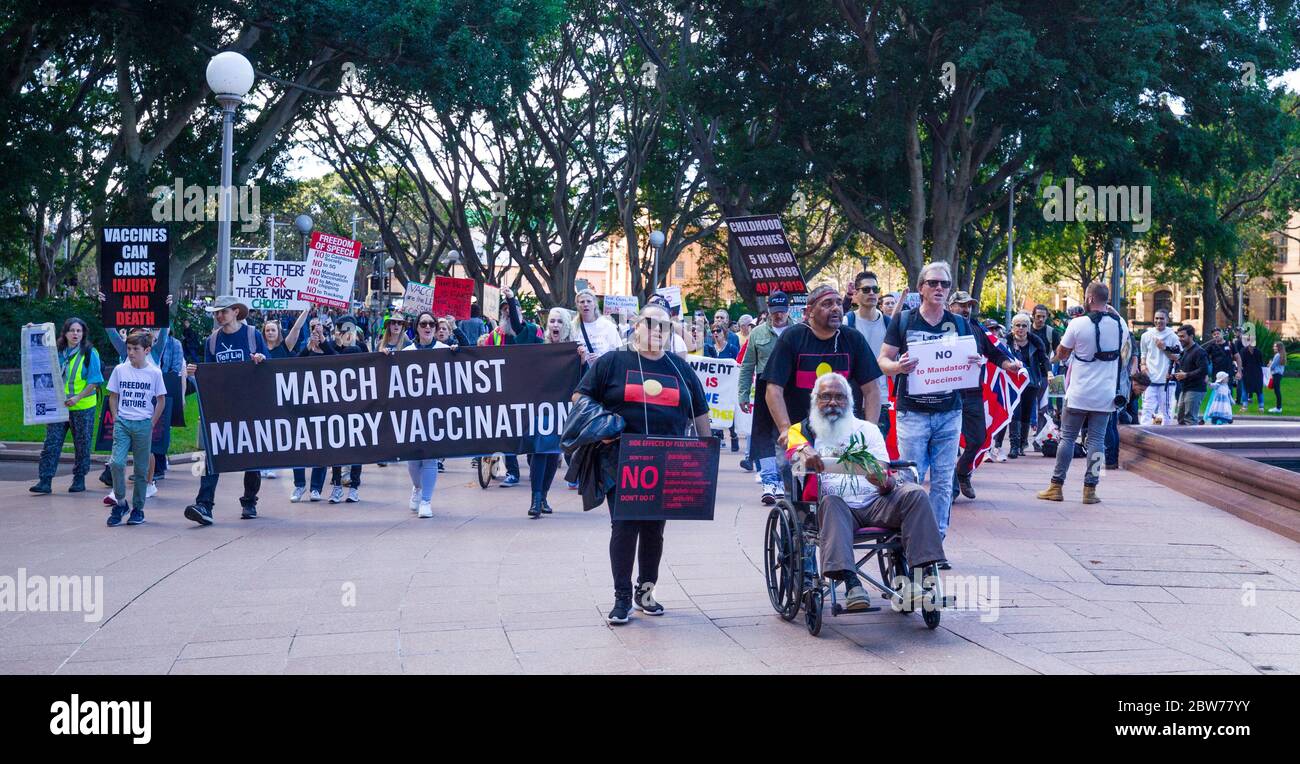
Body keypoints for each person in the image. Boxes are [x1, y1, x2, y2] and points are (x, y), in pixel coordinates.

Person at [574, 303, 711, 624]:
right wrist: (605, 427)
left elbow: (700, 412)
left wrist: (707, 454)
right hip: (620, 457)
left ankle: (645, 591)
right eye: (650, 323)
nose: (657, 330)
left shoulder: (680, 368)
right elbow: (580, 398)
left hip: (666, 460)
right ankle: (621, 598)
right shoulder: (612, 362)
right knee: (624, 525)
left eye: (665, 325)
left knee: (654, 529)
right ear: (636, 325)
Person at [878, 264, 1021, 547]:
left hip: (949, 412)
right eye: (933, 283)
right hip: (913, 413)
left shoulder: (959, 324)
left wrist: (976, 362)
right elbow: (883, 361)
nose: (939, 288)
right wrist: (898, 366)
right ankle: (910, 541)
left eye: (944, 284)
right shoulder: (905, 321)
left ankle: (934, 542)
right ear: (921, 288)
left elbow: (979, 355)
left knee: (943, 482)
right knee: (911, 481)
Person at [786, 373, 945, 611]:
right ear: (815, 400)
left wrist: (882, 480)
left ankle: (917, 579)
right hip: (837, 511)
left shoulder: (868, 430)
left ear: (849, 401)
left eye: (839, 397)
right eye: (826, 397)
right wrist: (803, 453)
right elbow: (792, 455)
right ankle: (851, 583)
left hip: (876, 502)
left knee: (914, 493)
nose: (832, 403)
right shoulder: (803, 431)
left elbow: (886, 476)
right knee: (830, 502)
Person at [765, 282, 884, 503]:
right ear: (809, 311)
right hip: (799, 432)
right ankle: (800, 526)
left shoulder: (853, 339)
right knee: (799, 494)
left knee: (848, 489)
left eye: (839, 303)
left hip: (843, 432)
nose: (836, 308)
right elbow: (773, 388)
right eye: (827, 304)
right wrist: (785, 430)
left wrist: (870, 429)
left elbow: (872, 389)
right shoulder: (792, 338)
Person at [1036, 282, 1130, 505]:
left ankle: (1056, 486)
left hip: (1079, 392)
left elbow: (1061, 353)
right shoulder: (1121, 325)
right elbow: (1124, 349)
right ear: (1107, 301)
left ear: (1089, 299)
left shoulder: (1078, 323)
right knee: (1097, 441)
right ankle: (1090, 489)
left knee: (1067, 438)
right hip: (1106, 394)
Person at [184, 296, 269, 525]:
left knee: (252, 456)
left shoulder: (252, 335)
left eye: (223, 311)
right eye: (216, 312)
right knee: (212, 454)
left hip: (250, 405)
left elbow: (269, 365)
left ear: (235, 312)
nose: (219, 316)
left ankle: (249, 501)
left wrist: (261, 358)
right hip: (222, 406)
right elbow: (208, 374)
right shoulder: (212, 341)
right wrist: (195, 374)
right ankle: (204, 504)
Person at [524, 307, 587, 518]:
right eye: (552, 321)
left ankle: (542, 498)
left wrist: (583, 361)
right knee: (539, 451)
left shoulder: (575, 350)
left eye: (560, 322)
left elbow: (585, 381)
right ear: (547, 325)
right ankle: (536, 497)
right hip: (541, 408)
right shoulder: (539, 349)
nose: (555, 325)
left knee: (552, 453)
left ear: (566, 326)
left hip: (563, 409)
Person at [29, 318, 103, 495]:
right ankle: (45, 480)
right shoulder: (57, 351)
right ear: (65, 333)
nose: (75, 334)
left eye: (79, 331)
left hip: (82, 406)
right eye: (72, 330)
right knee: (52, 443)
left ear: (83, 333)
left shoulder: (90, 353)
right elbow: (36, 354)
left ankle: (79, 479)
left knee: (82, 444)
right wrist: (32, 331)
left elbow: (95, 381)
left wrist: (77, 398)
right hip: (58, 407)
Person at [105, 332, 167, 527]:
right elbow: (113, 396)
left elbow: (161, 400)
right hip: (123, 422)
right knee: (116, 463)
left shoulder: (154, 372)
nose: (131, 353)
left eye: (135, 349)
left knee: (141, 469)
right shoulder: (120, 370)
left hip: (143, 423)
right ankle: (121, 503)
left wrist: (151, 422)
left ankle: (138, 508)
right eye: (129, 349)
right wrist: (116, 417)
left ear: (147, 351)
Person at [480, 287, 540, 485]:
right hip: (504, 390)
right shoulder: (495, 335)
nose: (507, 312)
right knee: (507, 431)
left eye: (510, 309)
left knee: (531, 431)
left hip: (529, 389)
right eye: (504, 310)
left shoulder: (532, 330)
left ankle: (536, 468)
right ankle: (513, 472)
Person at [738, 291, 792, 503]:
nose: (778, 316)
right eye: (774, 312)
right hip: (764, 384)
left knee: (789, 432)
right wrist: (743, 393)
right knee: (763, 433)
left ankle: (786, 478)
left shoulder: (797, 330)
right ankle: (770, 480)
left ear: (788, 310)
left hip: (790, 386)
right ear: (768, 311)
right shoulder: (758, 333)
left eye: (781, 311)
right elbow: (747, 365)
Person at [946, 292, 988, 497]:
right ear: (950, 306)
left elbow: (994, 352)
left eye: (969, 305)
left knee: (978, 438)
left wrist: (1009, 365)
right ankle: (952, 488)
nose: (966, 309)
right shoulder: (942, 326)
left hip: (973, 392)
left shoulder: (977, 328)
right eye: (961, 305)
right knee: (950, 442)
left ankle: (962, 472)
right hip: (949, 393)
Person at [291, 316, 336, 502]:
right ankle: (299, 485)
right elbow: (293, 365)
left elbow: (337, 360)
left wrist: (323, 343)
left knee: (322, 446)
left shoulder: (330, 346)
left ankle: (316, 488)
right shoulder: (305, 346)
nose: (316, 329)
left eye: (319, 326)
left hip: (324, 405)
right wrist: (307, 348)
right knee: (299, 446)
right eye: (312, 326)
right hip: (304, 403)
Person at [845, 270, 892, 434]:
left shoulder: (889, 324)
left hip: (881, 401)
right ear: (856, 295)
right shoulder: (847, 322)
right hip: (851, 402)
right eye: (866, 289)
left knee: (876, 456)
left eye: (875, 289)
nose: (871, 293)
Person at [326, 317, 367, 503]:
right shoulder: (332, 346)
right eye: (342, 329)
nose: (345, 333)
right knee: (336, 447)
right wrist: (336, 344)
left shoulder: (360, 346)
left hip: (357, 405)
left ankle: (354, 487)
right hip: (336, 405)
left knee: (356, 447)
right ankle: (336, 485)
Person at [1005, 312, 1050, 456]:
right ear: (1012, 327)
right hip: (1012, 381)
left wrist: (1049, 372)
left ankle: (1022, 443)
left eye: (1024, 325)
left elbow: (1044, 359)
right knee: (1015, 411)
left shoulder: (1035, 342)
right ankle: (1014, 446)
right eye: (1017, 325)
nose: (1021, 328)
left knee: (1026, 412)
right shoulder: (1007, 342)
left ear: (1028, 328)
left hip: (1031, 382)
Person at [1139, 310, 1178, 424]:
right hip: (1150, 378)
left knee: (1166, 410)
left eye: (1161, 318)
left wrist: (1164, 348)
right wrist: (1143, 365)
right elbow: (1143, 353)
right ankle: (1144, 434)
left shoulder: (1172, 337)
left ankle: (1165, 435)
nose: (1158, 321)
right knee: (1147, 408)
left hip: (1166, 380)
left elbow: (1177, 357)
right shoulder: (1146, 335)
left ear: (1167, 320)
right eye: (1156, 318)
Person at [1173, 324, 1208, 425]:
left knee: (1190, 419)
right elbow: (1183, 371)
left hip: (1195, 389)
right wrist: (1174, 376)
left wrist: (1186, 375)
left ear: (1191, 336)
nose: (1180, 339)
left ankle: (1194, 440)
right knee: (1181, 419)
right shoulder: (1184, 352)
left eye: (1182, 336)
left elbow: (1204, 370)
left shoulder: (1199, 352)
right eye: (1179, 336)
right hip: (1185, 388)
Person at [1237, 334, 1266, 413]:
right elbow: (1261, 363)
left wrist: (1239, 370)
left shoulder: (1243, 351)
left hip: (1248, 372)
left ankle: (1245, 406)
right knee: (1259, 391)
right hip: (1257, 373)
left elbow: (1241, 362)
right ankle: (1261, 407)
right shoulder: (1258, 351)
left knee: (1245, 390)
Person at [1268, 341, 1286, 413]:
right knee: (1277, 390)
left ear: (1278, 347)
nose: (1273, 348)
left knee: (1277, 391)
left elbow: (1272, 366)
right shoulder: (1282, 355)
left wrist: (1269, 364)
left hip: (1276, 374)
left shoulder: (1277, 355)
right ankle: (1278, 407)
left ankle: (1278, 408)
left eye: (1275, 346)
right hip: (1279, 374)